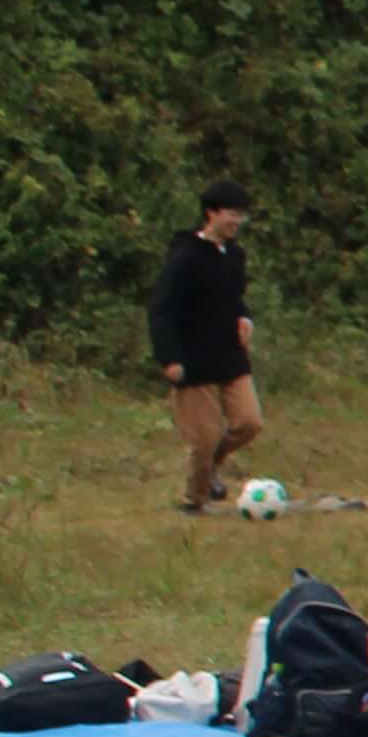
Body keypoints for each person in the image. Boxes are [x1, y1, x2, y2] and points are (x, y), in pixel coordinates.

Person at [148, 178, 258, 516]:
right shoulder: (185, 257)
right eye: (231, 214)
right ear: (211, 213)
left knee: (249, 423)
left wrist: (245, 319)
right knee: (205, 439)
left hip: (230, 356)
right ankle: (194, 500)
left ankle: (210, 473)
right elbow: (161, 309)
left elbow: (236, 299)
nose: (237, 221)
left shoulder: (235, 255)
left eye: (242, 215)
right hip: (193, 361)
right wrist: (169, 358)